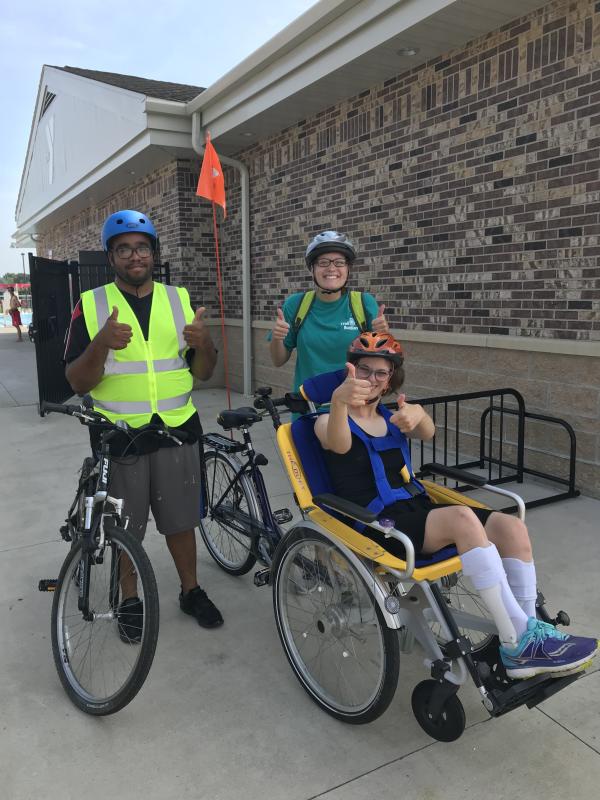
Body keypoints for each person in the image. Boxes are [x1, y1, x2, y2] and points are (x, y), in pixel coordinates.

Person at [313, 332, 598, 679]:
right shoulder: (326, 420)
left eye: (381, 373)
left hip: (415, 509)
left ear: (390, 380)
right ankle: (517, 641)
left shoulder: (393, 417)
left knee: (512, 526)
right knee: (463, 518)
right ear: (350, 371)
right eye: (364, 369)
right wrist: (340, 402)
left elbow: (429, 432)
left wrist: (417, 415)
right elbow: (339, 445)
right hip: (376, 523)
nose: (371, 379)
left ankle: (530, 632)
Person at [64, 209, 223, 639]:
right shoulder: (92, 304)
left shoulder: (180, 299)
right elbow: (77, 379)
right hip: (120, 438)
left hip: (176, 430)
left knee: (180, 520)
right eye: (123, 249)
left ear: (153, 252)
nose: (134, 256)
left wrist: (205, 344)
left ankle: (191, 591)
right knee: (124, 528)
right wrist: (100, 343)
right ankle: (129, 599)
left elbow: (204, 372)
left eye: (141, 247)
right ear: (110, 257)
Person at [269, 230, 389, 391]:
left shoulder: (363, 303)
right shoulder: (295, 305)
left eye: (339, 262)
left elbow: (383, 363)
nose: (331, 268)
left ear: (348, 269)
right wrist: (277, 338)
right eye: (323, 262)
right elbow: (278, 361)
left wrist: (384, 336)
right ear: (312, 268)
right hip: (308, 406)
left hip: (353, 404)